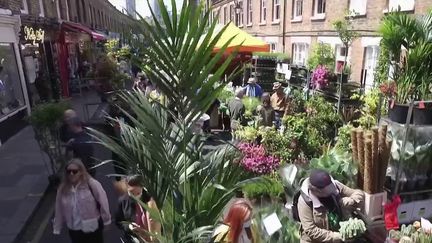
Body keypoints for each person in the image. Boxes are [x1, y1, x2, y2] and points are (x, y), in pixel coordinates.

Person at [297, 169, 364, 243]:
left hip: (337, 236)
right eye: (327, 191)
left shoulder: (335, 185)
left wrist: (352, 200)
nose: (331, 191)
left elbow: (358, 193)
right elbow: (311, 230)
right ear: (317, 191)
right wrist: (338, 236)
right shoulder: (305, 201)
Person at [53, 159, 111, 243]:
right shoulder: (62, 189)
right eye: (69, 171)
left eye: (74, 171)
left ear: (81, 172)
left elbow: (103, 202)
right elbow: (59, 208)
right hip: (74, 230)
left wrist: (107, 220)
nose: (71, 174)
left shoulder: (92, 184)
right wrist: (57, 227)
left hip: (92, 228)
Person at [115, 175, 161, 243]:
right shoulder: (123, 202)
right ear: (127, 188)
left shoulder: (151, 202)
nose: (135, 197)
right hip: (134, 239)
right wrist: (129, 226)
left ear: (142, 188)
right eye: (132, 193)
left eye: (138, 193)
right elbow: (118, 222)